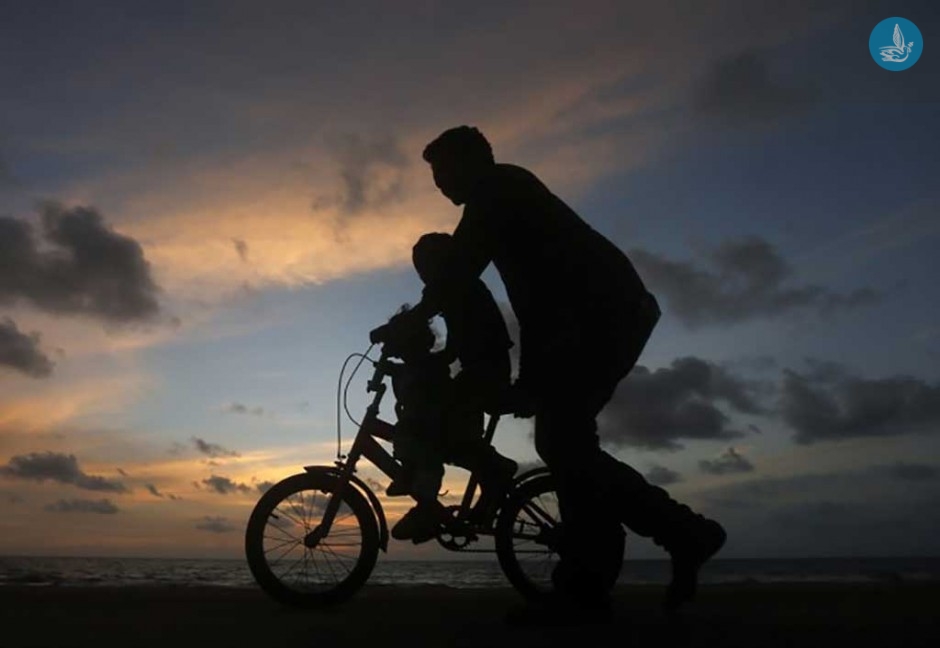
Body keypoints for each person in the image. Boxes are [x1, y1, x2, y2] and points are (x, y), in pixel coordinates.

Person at [416, 125, 726, 612]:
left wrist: (414, 317)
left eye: (442, 174)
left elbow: (458, 270)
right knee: (566, 444)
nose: (440, 187)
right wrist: (530, 381)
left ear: (470, 162)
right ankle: (678, 536)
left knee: (563, 442)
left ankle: (593, 582)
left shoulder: (497, 190)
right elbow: (536, 304)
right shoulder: (501, 196)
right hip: (594, 323)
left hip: (605, 317)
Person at [381, 233, 518, 543]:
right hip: (483, 368)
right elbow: (452, 349)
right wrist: (414, 364)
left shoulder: (452, 283)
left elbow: (425, 310)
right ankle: (486, 478)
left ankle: (434, 502)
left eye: (423, 266)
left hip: (486, 371)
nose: (422, 274)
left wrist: (390, 330)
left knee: (434, 430)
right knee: (445, 432)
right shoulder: (459, 287)